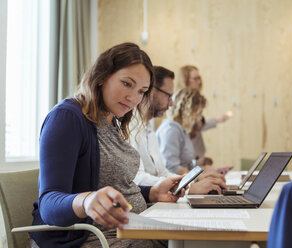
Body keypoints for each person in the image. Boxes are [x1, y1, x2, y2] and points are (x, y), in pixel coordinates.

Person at [30, 43, 184, 248]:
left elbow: (114, 187)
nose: (133, 98)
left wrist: (153, 192)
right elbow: (48, 204)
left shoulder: (111, 122)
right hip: (90, 238)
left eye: (141, 91)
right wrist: (86, 201)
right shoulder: (68, 117)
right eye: (127, 84)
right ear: (102, 76)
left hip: (129, 230)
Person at [130, 66, 226, 194]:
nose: (171, 103)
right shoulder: (131, 129)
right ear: (150, 90)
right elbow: (138, 179)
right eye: (168, 96)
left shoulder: (149, 130)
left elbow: (163, 173)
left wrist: (192, 182)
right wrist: (190, 186)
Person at [157, 88, 217, 176]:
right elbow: (171, 167)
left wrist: (197, 163)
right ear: (187, 110)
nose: (199, 117)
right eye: (198, 112)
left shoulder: (181, 129)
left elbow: (184, 163)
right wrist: (199, 177)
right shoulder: (171, 130)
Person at [178, 65, 230, 161]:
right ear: (186, 80)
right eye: (195, 78)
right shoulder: (180, 103)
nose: (199, 82)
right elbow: (191, 126)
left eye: (199, 78)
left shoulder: (195, 100)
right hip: (188, 157)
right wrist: (217, 120)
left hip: (196, 154)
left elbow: (197, 125)